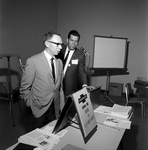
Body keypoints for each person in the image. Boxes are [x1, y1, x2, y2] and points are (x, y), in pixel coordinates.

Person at [20, 31, 65, 129]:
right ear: (47, 44)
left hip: (55, 108)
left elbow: (60, 87)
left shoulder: (59, 62)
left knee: (53, 136)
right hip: (39, 109)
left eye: (61, 44)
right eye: (57, 44)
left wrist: (62, 106)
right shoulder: (33, 61)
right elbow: (24, 88)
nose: (61, 47)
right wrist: (31, 105)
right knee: (38, 139)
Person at [56, 30, 89, 97]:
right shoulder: (59, 49)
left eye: (76, 41)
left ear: (78, 43)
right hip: (57, 82)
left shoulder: (80, 55)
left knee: (67, 104)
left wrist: (84, 85)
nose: (73, 43)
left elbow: (81, 72)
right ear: (67, 40)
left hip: (70, 86)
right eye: (71, 40)